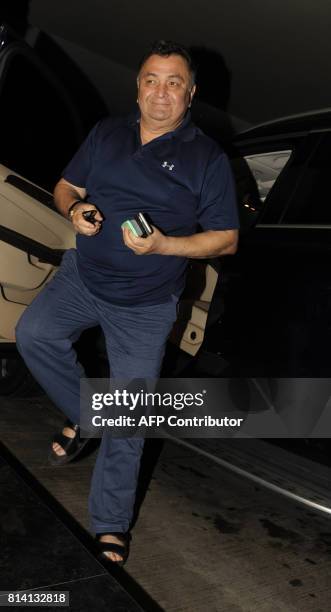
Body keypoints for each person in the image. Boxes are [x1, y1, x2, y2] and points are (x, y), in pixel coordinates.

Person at [15, 40, 239, 564]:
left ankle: (110, 524)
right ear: (137, 87)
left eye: (174, 83)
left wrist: (164, 244)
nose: (161, 92)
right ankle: (89, 415)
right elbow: (66, 185)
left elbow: (225, 238)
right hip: (83, 278)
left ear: (190, 94)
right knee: (34, 335)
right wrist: (75, 210)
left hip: (145, 305)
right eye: (151, 80)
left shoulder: (205, 157)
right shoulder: (106, 133)